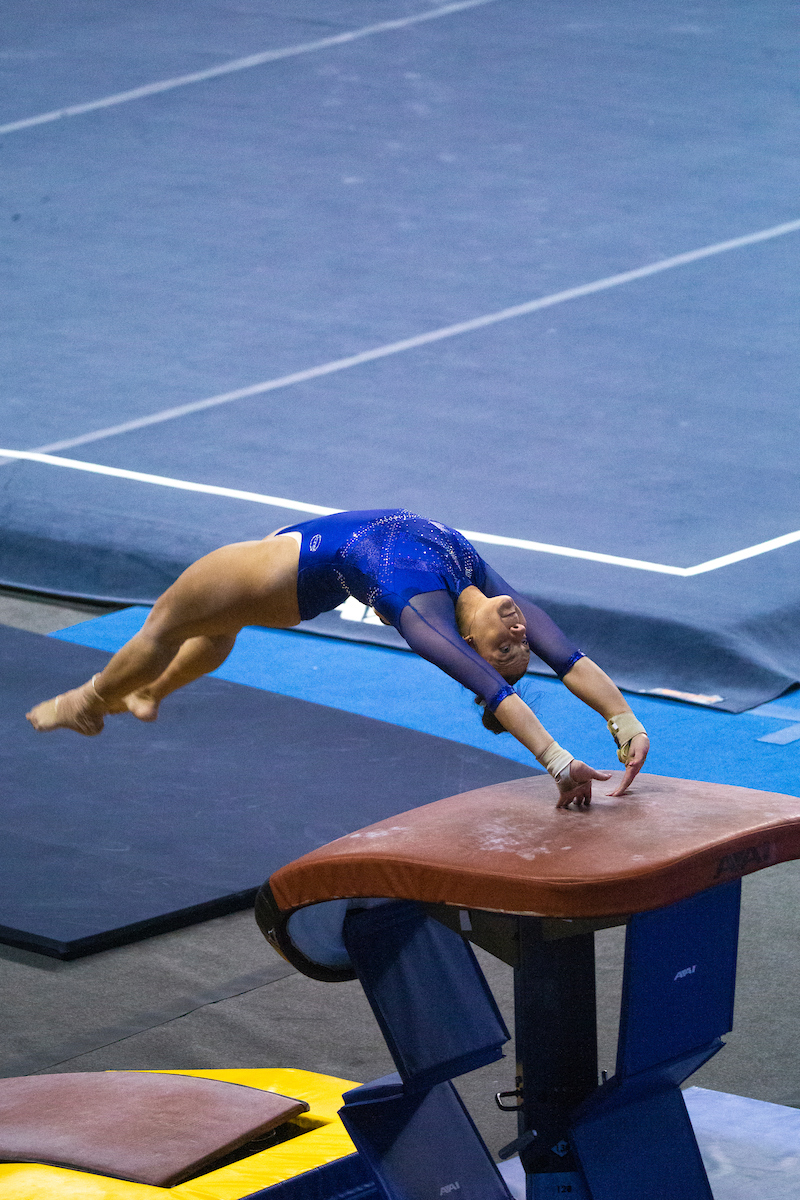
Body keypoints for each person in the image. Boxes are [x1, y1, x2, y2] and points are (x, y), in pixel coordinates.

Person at [26, 509, 648, 807]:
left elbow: (496, 693)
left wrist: (558, 762)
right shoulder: (478, 579)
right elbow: (569, 658)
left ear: (472, 649)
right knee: (218, 629)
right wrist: (626, 724)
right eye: (519, 645)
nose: (517, 630)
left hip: (280, 573)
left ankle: (88, 702)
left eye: (504, 647)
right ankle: (151, 694)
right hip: (304, 565)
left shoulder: (422, 610)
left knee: (165, 623)